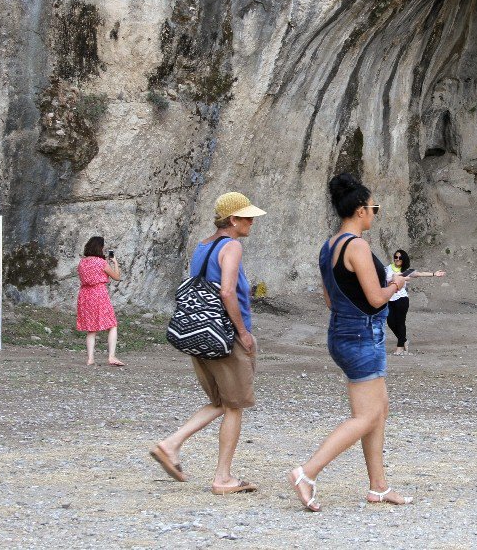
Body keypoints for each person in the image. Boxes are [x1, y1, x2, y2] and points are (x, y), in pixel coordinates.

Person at [287, 173, 412, 512]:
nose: (375, 212)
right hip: (361, 335)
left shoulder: (329, 247)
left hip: (342, 331)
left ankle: (379, 487)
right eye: (374, 207)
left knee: (378, 410)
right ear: (360, 210)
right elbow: (374, 298)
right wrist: (395, 285)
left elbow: (330, 299)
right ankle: (307, 472)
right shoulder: (357, 246)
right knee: (367, 416)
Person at [149, 192, 265, 495]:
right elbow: (227, 292)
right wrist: (243, 333)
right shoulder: (232, 246)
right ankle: (222, 478)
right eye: (247, 217)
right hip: (226, 336)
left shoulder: (202, 247)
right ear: (233, 220)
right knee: (235, 406)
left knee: (220, 402)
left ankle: (170, 444)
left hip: (200, 332)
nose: (252, 222)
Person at [385, 249, 445, 355]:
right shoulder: (388, 268)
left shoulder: (406, 271)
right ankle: (404, 340)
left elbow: (419, 274)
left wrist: (434, 274)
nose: (397, 259)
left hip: (401, 298)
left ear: (404, 259)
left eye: (400, 258)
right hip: (389, 298)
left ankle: (400, 347)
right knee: (390, 321)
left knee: (400, 322)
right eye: (396, 257)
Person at [76, 236, 123, 367]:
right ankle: (111, 356)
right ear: (100, 248)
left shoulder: (82, 262)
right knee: (112, 325)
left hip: (85, 295)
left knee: (91, 329)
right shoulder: (101, 263)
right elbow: (117, 277)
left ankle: (90, 359)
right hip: (99, 293)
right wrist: (115, 263)